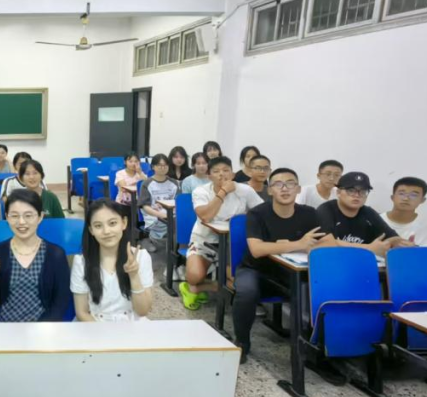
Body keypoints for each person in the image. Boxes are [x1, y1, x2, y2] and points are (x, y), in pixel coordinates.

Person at [234, 168, 332, 362]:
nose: (285, 188)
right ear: (270, 190)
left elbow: (329, 242)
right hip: (256, 270)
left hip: (291, 273)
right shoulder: (257, 213)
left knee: (323, 289)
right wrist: (298, 244)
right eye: (278, 184)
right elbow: (257, 249)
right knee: (246, 292)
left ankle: (318, 349)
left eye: (290, 183)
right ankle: (242, 342)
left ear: (298, 189)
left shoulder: (309, 213)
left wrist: (292, 246)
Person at [181, 156, 264, 311]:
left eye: (226, 170)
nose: (222, 174)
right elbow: (205, 216)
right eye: (216, 171)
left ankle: (202, 288)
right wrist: (223, 192)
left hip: (233, 244)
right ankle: (202, 285)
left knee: (236, 281)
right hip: (204, 240)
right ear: (209, 176)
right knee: (194, 277)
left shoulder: (245, 190)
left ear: (233, 174)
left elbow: (263, 212)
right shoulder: (201, 191)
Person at [0, 189, 72, 322]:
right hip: (4, 325)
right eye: (14, 216)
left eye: (28, 215)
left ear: (40, 217)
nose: (21, 222)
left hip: (44, 327)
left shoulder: (55, 254)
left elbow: (61, 301)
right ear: (7, 217)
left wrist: (43, 328)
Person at [72, 199, 154, 322]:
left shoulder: (141, 257)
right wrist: (104, 334)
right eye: (98, 226)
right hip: (94, 325)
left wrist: (134, 275)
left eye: (112, 223)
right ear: (91, 230)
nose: (106, 231)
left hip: (132, 324)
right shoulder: (81, 262)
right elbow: (81, 312)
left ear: (124, 223)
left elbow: (143, 311)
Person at [316, 172, 410, 257]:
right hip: (334, 263)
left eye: (363, 191)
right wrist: (369, 248)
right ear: (338, 192)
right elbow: (326, 243)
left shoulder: (368, 212)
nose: (357, 195)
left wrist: (401, 243)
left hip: (362, 263)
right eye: (351, 190)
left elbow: (392, 237)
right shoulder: (326, 210)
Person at [381, 177, 427, 247]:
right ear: (392, 197)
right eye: (401, 194)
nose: (406, 198)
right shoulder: (375, 221)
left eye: (414, 195)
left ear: (422, 200)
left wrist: (415, 251)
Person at [139, 154, 180, 253]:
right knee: (172, 224)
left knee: (180, 222)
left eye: (165, 165)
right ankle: (152, 240)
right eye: (159, 165)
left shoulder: (174, 183)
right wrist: (161, 215)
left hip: (172, 214)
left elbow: (178, 202)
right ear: (153, 167)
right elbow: (145, 206)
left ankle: (175, 249)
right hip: (154, 215)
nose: (163, 168)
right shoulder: (147, 183)